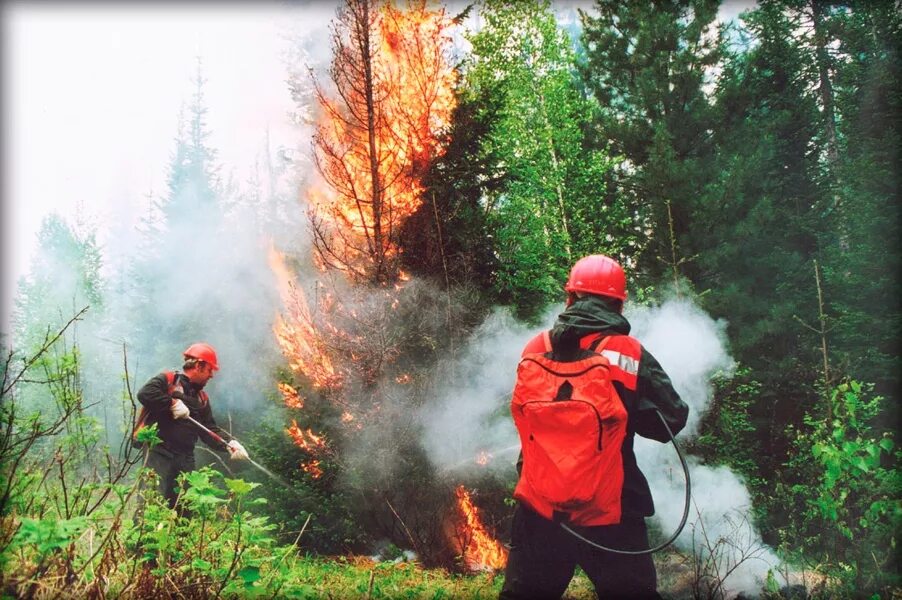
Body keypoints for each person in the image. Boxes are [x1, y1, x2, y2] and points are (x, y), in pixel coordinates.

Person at [501, 255, 689, 600]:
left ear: (570, 298)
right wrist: (630, 409)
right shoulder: (628, 354)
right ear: (618, 303)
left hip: (540, 511)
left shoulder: (535, 348)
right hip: (611, 511)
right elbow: (672, 420)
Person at [136, 342, 249, 510]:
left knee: (184, 509)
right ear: (198, 365)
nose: (211, 375)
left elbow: (209, 430)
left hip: (185, 459)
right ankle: (144, 536)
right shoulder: (167, 380)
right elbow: (144, 394)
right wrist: (171, 403)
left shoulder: (202, 398)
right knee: (150, 505)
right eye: (210, 370)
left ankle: (179, 536)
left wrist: (229, 444)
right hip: (158, 453)